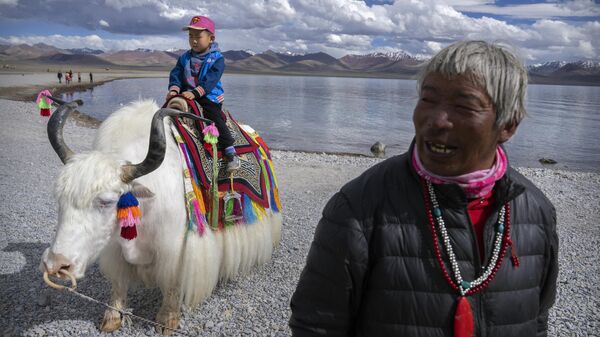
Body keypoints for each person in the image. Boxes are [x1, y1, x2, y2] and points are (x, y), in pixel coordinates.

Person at [289, 40, 558, 337]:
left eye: (463, 106)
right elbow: (316, 326)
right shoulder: (359, 207)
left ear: (508, 125)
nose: (437, 120)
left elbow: (536, 322)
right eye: (428, 100)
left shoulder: (535, 210)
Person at [166, 15, 240, 172]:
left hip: (209, 96)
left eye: (198, 36)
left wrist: (196, 92)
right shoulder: (185, 58)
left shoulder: (217, 59)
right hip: (187, 94)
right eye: (190, 36)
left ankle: (230, 151)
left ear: (211, 38)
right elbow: (177, 74)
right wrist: (174, 89)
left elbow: (211, 79)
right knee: (165, 112)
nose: (193, 40)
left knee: (213, 117)